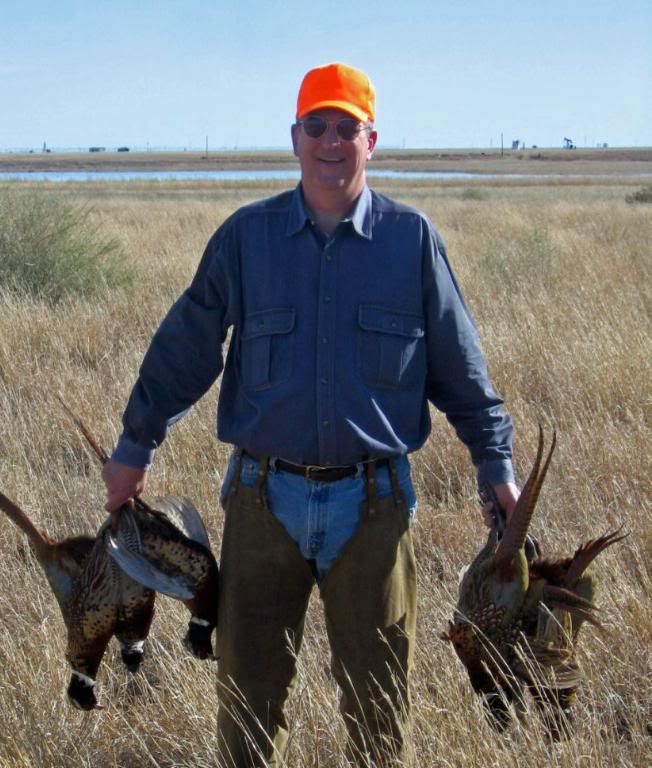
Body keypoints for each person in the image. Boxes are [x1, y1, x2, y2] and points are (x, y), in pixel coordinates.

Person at [102, 62, 519, 767]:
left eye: (346, 128)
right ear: (294, 139)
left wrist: (496, 466)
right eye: (316, 126)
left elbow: (461, 369)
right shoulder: (246, 238)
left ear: (372, 140)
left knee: (380, 710)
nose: (331, 141)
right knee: (247, 704)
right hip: (264, 502)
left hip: (374, 502)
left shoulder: (411, 241)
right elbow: (187, 346)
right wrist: (134, 444)